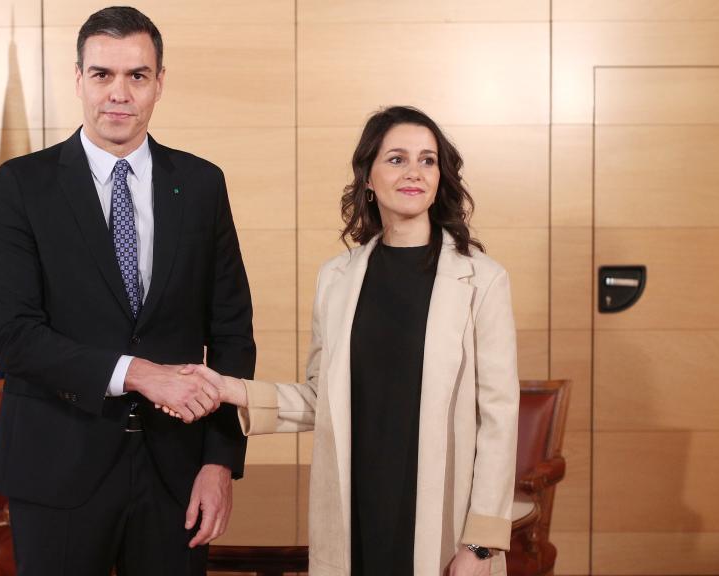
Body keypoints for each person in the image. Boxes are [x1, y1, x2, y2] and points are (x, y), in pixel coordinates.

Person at [186, 106, 520, 575]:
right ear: (367, 176)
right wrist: (230, 389)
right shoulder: (336, 279)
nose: (414, 173)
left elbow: (499, 418)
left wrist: (481, 546)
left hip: (441, 517)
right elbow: (321, 398)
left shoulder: (482, 280)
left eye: (428, 160)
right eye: (397, 159)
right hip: (353, 506)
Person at [0, 6, 255, 575]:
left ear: (159, 83)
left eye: (138, 75)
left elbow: (231, 333)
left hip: (176, 474)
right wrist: (138, 372)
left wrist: (220, 463)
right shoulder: (21, 186)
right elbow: (13, 337)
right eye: (103, 74)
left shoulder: (202, 184)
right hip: (56, 465)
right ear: (78, 79)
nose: (119, 93)